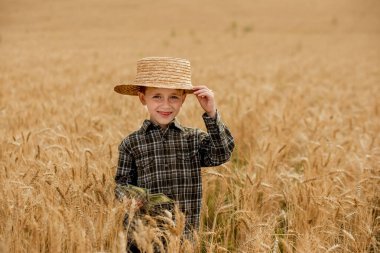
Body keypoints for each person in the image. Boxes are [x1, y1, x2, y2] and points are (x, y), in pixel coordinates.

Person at [113, 57, 235, 240]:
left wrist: (211, 112)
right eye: (157, 97)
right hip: (145, 237)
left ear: (183, 99)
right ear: (142, 98)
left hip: (185, 237)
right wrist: (132, 197)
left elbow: (221, 154)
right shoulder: (131, 144)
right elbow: (121, 185)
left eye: (174, 97)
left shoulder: (193, 139)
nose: (166, 105)